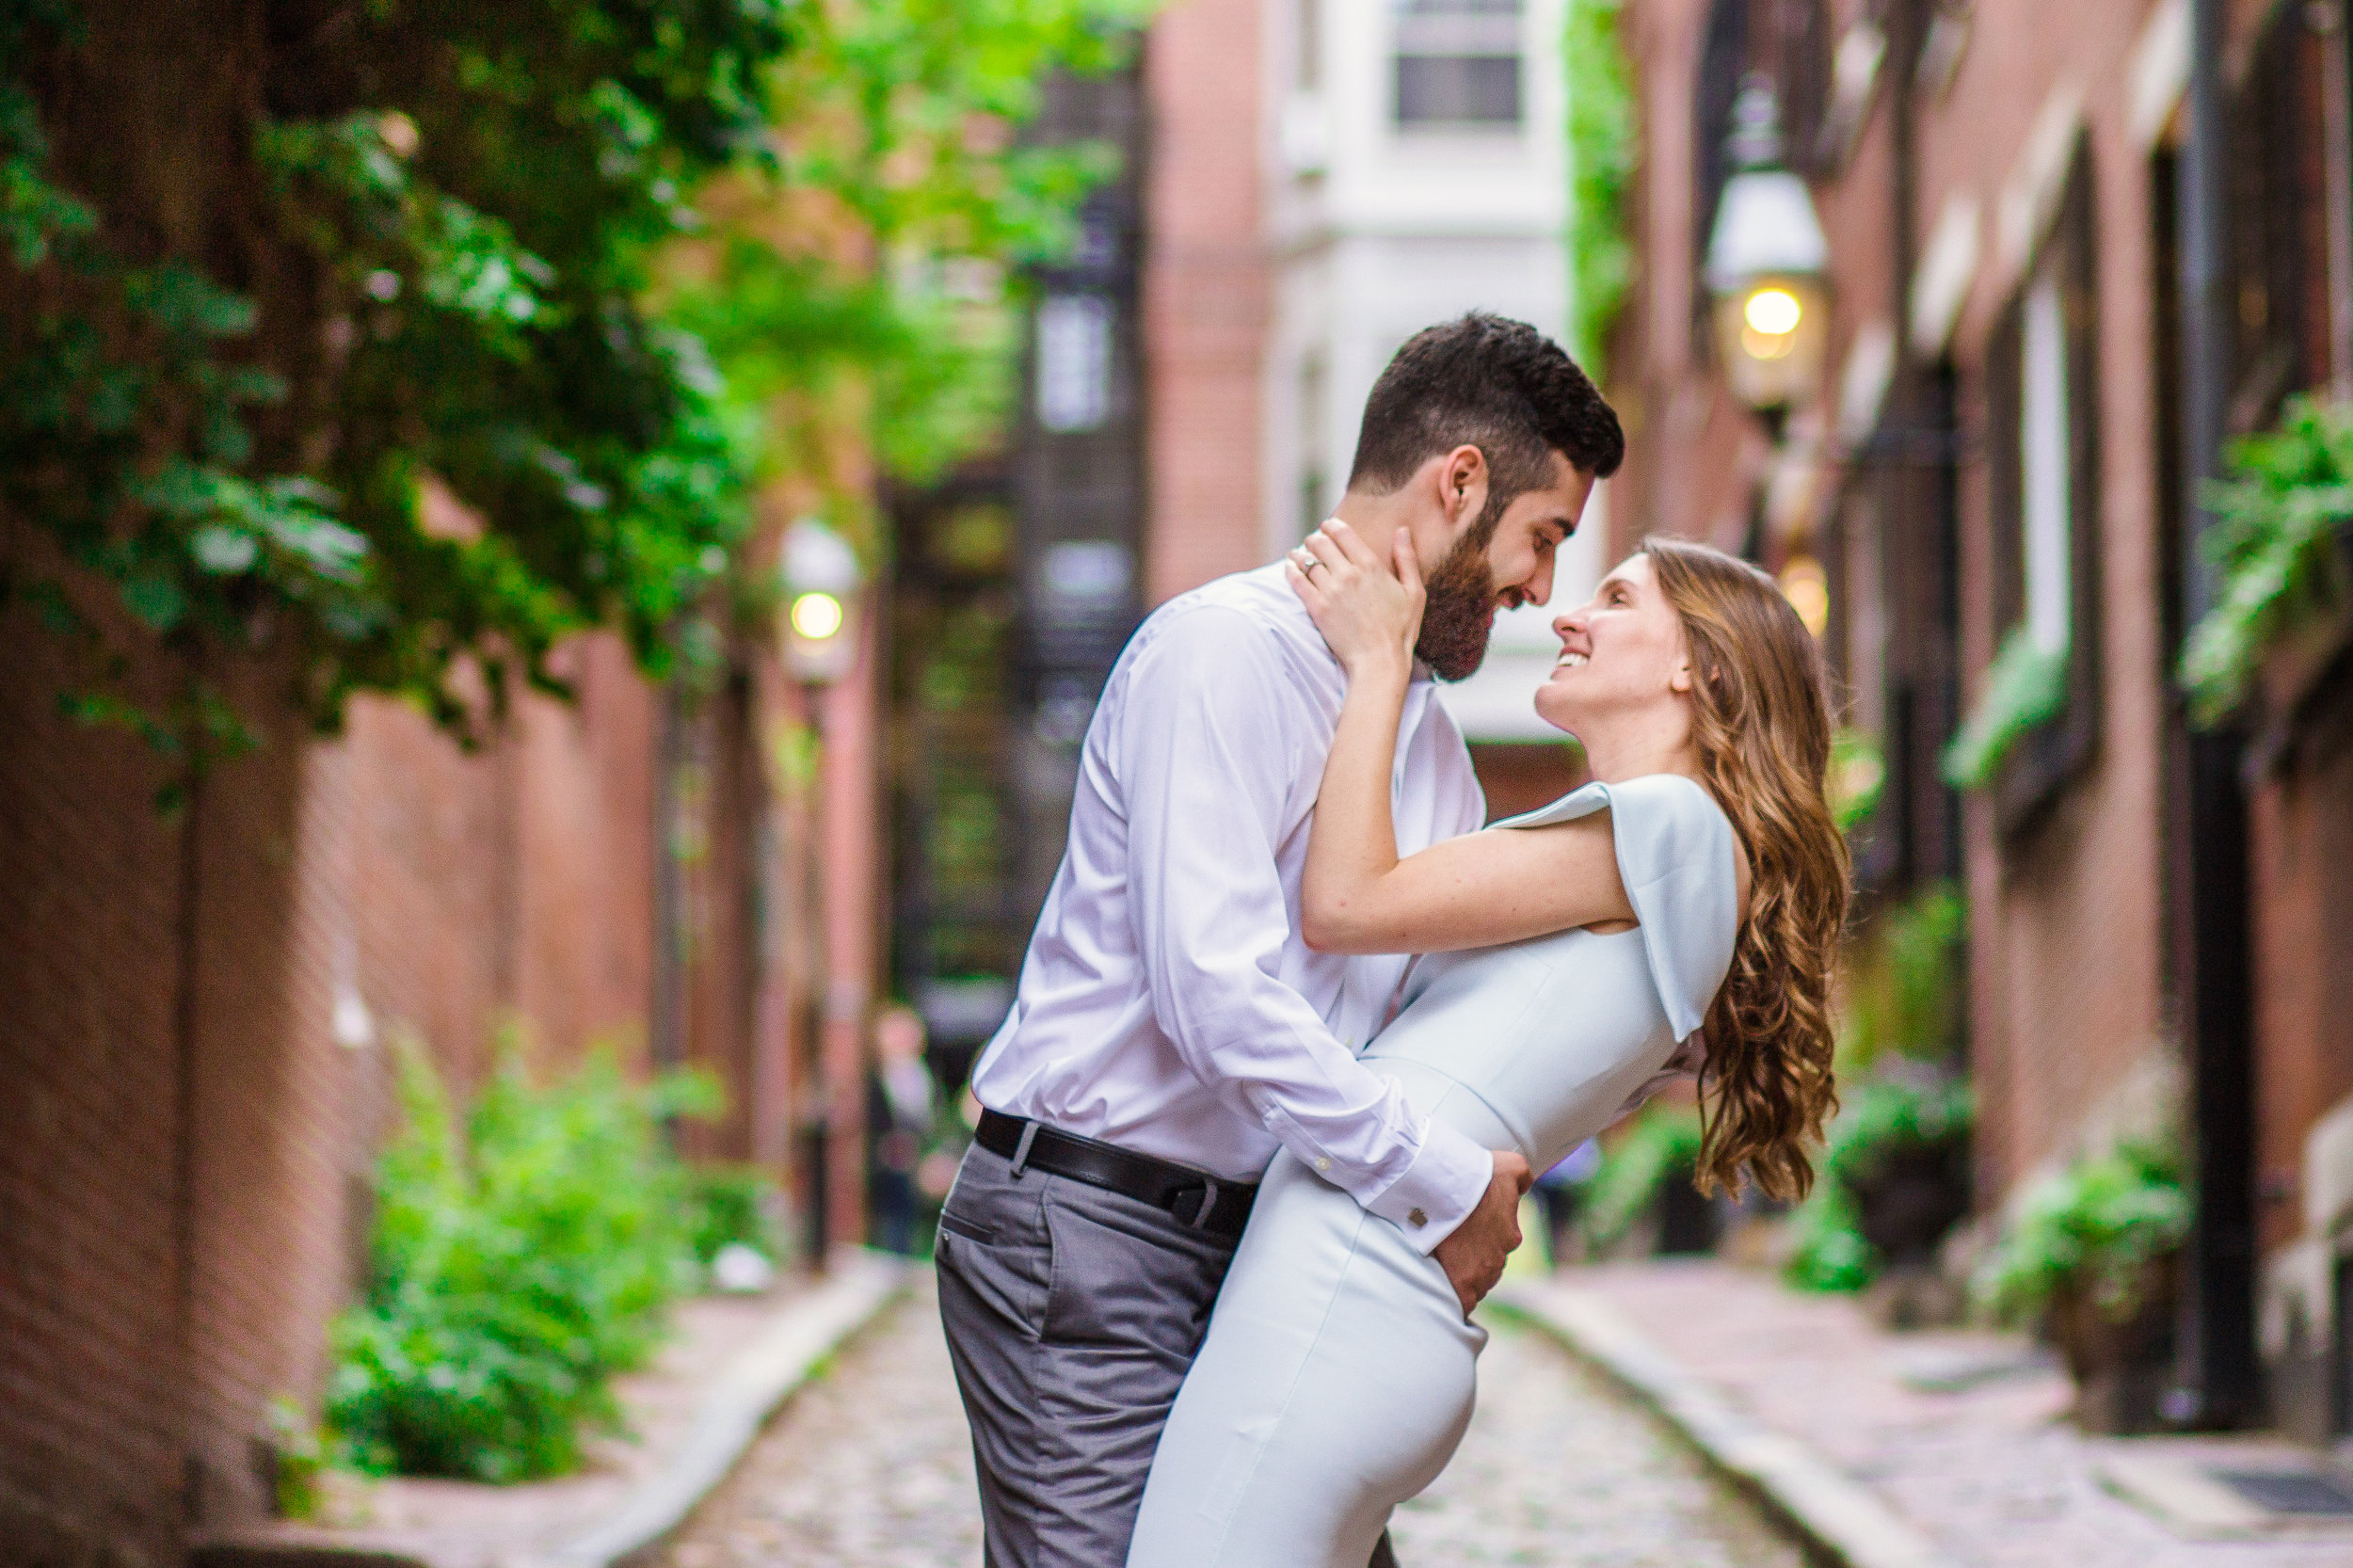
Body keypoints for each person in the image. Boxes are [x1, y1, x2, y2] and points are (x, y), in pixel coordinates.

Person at [933, 313, 1624, 1568]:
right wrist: (1437, 1170)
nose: (1540, 587)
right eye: (1545, 537)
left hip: (1271, 1244)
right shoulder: (1222, 652)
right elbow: (1216, 996)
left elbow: (1430, 1010)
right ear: (1458, 480)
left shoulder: (1424, 746)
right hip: (1093, 1238)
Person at [1125, 527, 1850, 1567]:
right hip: (1368, 1295)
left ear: (1700, 664)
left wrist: (1380, 658)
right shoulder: (1679, 851)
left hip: (1341, 1289)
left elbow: (1343, 902)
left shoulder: (1671, 825)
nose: (1568, 614)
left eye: (1613, 597)